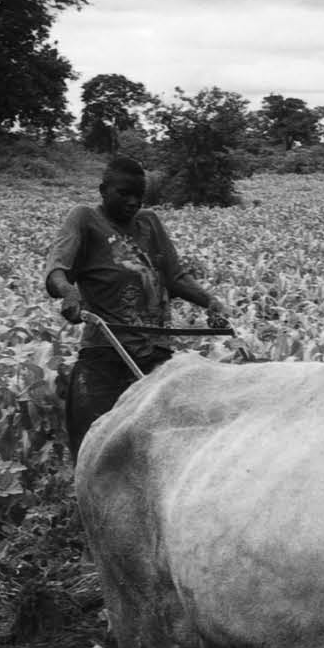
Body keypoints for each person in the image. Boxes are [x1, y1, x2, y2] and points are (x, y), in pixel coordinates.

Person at [45, 155, 231, 453]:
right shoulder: (84, 218)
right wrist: (69, 292)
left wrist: (211, 302)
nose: (133, 202)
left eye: (139, 196)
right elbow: (57, 270)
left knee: (163, 453)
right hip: (106, 355)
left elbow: (176, 277)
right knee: (98, 453)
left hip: (156, 355)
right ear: (103, 190)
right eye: (124, 194)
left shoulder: (149, 223)